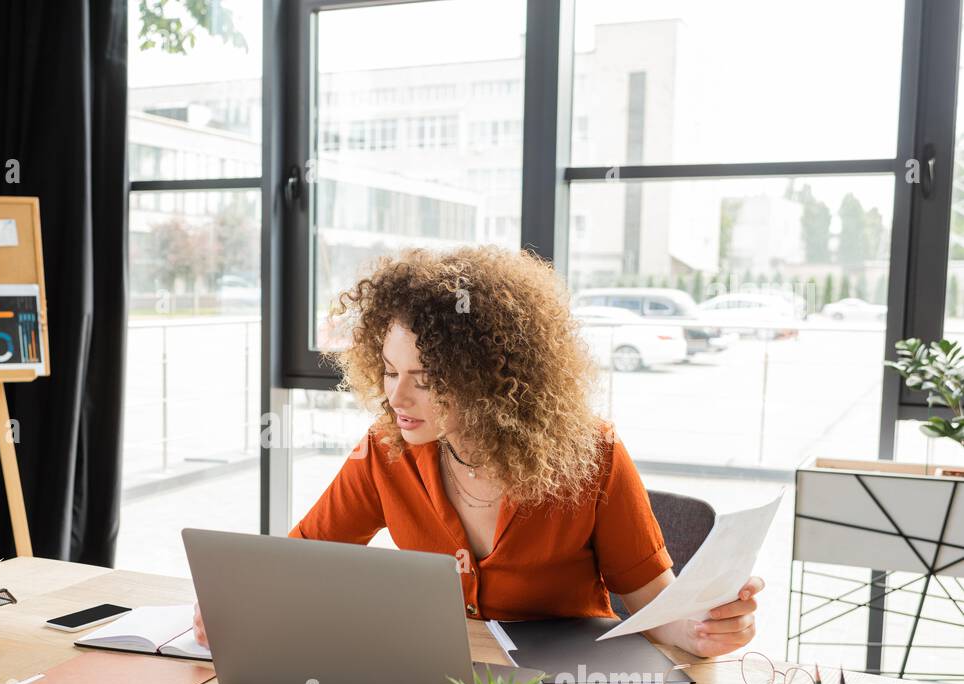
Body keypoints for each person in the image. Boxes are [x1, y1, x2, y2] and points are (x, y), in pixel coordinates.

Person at [193, 246, 761, 655]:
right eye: (390, 371)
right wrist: (240, 604)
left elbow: (654, 606)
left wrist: (701, 628)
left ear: (488, 376)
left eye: (425, 377)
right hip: (440, 681)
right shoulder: (383, 452)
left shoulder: (594, 455)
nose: (396, 394)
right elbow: (298, 564)